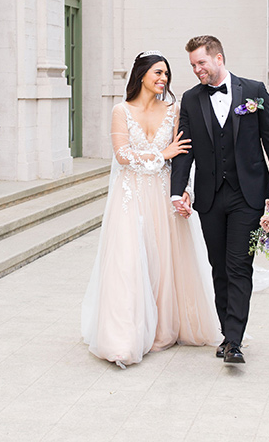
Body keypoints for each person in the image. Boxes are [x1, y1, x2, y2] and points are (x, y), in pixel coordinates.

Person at [82, 51, 220, 368]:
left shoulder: (174, 110)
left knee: (164, 260)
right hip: (129, 195)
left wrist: (184, 191)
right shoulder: (121, 110)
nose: (163, 79)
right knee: (127, 262)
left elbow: (183, 157)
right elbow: (122, 155)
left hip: (161, 194)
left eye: (167, 74)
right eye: (158, 72)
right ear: (142, 74)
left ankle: (161, 328)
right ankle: (123, 337)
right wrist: (163, 153)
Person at [171, 36, 269, 364]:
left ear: (219, 58)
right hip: (210, 198)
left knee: (239, 266)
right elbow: (185, 150)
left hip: (248, 196)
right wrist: (176, 189)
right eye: (193, 65)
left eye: (201, 63)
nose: (197, 70)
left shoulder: (254, 91)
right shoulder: (191, 99)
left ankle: (234, 340)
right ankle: (227, 333)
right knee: (219, 268)